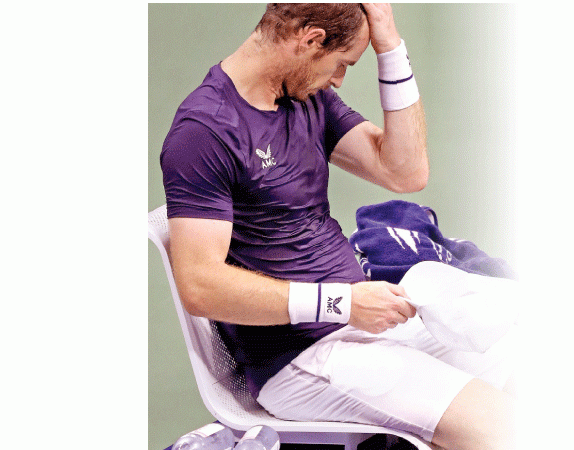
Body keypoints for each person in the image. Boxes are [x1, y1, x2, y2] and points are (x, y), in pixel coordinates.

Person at [160, 4, 515, 449]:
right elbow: (200, 286)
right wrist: (341, 303)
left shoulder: (307, 99)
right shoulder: (205, 130)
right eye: (343, 64)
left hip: (361, 325)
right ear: (310, 40)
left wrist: (389, 44)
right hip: (301, 358)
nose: (339, 80)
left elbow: (405, 172)